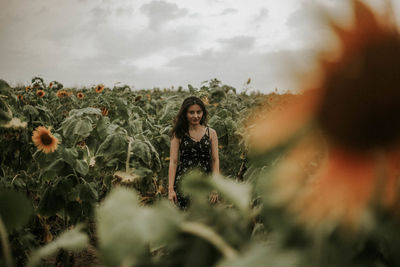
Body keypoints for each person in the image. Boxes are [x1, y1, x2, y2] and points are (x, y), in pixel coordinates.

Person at [168, 96, 219, 209]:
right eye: (191, 112)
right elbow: (173, 162)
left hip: (206, 185)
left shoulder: (211, 133)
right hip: (184, 184)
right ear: (185, 114)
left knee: (206, 222)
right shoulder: (179, 134)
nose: (196, 116)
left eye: (198, 112)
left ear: (203, 113)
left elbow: (215, 161)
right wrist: (171, 190)